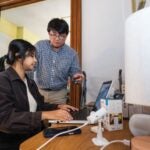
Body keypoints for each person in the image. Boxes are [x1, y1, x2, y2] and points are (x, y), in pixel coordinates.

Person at [0, 39, 78, 150]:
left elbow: (39, 106)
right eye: (32, 56)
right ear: (18, 56)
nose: (36, 60)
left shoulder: (30, 82)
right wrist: (44, 115)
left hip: (33, 135)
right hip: (14, 141)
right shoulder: (3, 80)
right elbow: (5, 119)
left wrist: (57, 106)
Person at [34, 18, 84, 104]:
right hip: (39, 92)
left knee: (58, 117)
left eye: (62, 36)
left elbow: (75, 73)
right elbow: (31, 67)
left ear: (66, 35)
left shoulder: (72, 54)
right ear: (48, 33)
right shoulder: (39, 46)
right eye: (53, 34)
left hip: (59, 95)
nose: (57, 39)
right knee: (37, 116)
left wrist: (77, 77)